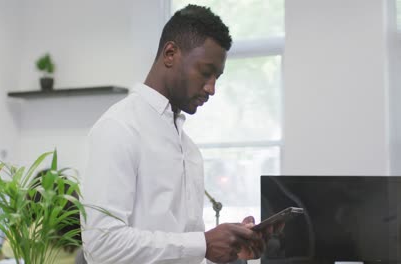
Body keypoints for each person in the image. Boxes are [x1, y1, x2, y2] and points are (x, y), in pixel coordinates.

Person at [81, 4, 279, 264]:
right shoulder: (117, 129)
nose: (212, 89)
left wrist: (230, 252)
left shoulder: (190, 151)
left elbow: (186, 253)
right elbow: (101, 246)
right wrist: (203, 244)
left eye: (217, 77)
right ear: (170, 54)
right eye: (206, 73)